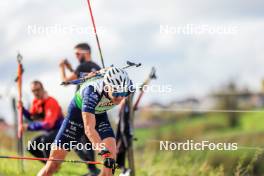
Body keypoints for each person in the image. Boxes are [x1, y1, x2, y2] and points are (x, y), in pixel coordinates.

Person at [37, 67, 134, 176]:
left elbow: (111, 69)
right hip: (76, 116)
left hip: (99, 115)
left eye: (123, 93)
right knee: (52, 165)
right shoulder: (91, 92)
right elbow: (89, 129)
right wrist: (104, 153)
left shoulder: (128, 86)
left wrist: (103, 70)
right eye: (116, 93)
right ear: (107, 87)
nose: (120, 97)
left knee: (110, 162)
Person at [59, 43, 101, 176]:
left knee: (74, 140)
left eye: (77, 54)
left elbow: (66, 82)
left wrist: (61, 67)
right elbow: (80, 77)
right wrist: (70, 68)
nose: (76, 57)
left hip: (81, 108)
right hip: (95, 108)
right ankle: (93, 170)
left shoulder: (82, 66)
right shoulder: (97, 67)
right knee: (86, 140)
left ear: (85, 52)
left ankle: (93, 169)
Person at [21, 81, 64, 160]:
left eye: (38, 90)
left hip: (61, 130)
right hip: (50, 131)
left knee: (45, 141)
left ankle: (51, 166)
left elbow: (48, 124)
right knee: (31, 147)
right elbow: (32, 117)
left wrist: (29, 127)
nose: (36, 93)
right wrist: (22, 109)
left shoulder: (51, 102)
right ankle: (51, 165)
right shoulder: (36, 102)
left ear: (43, 89)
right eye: (33, 91)